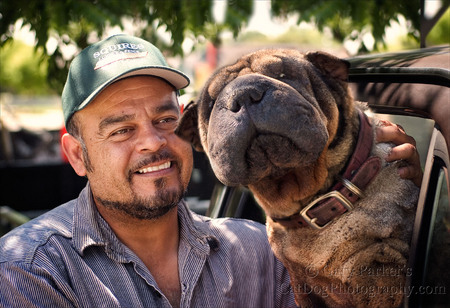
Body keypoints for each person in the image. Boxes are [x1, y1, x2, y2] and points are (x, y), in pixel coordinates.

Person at [0, 34, 422, 308]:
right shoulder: (31, 272)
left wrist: (406, 191)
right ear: (76, 156)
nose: (152, 141)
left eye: (165, 120)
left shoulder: (262, 250)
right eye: (121, 129)